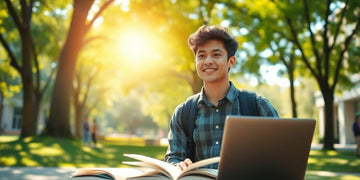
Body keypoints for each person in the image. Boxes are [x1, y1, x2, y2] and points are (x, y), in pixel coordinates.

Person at [164, 25, 279, 170]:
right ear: (196, 63)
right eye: (201, 55)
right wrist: (178, 165)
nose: (208, 61)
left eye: (216, 55)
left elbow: (280, 155)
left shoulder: (258, 106)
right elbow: (173, 157)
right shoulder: (183, 112)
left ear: (231, 61)